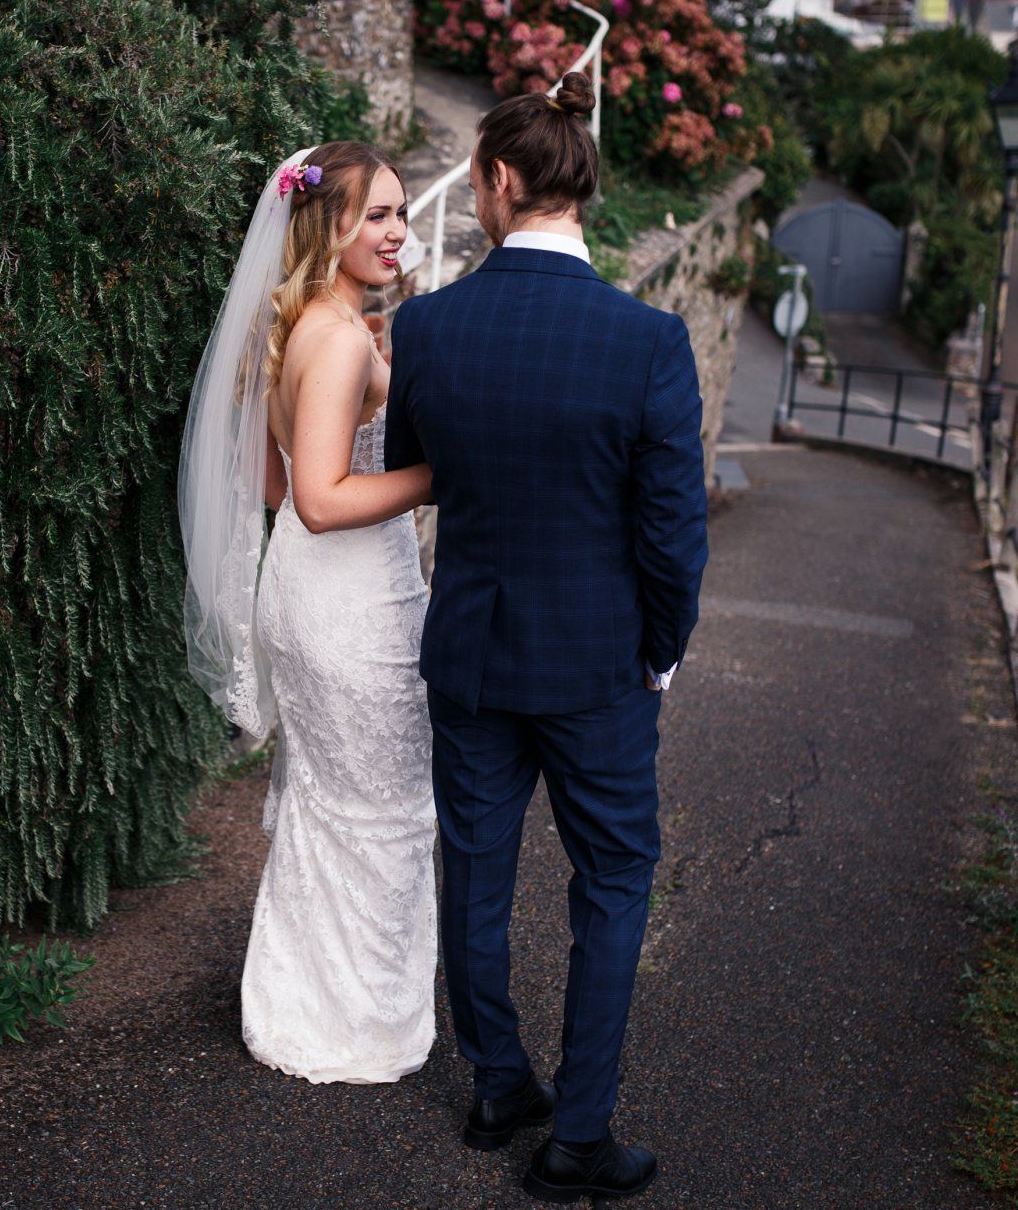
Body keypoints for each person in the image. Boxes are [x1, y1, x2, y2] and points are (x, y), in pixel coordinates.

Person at [385, 71, 709, 1201]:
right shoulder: (651, 341)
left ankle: (497, 1083)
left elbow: (410, 469)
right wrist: (658, 649)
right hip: (598, 664)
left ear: (503, 181)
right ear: (582, 192)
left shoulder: (428, 324)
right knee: (613, 879)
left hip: (473, 648)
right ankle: (577, 1136)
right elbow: (674, 534)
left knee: (473, 874)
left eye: (476, 180)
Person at [177, 140, 437, 1084]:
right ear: (326, 224)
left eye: (403, 213)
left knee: (336, 804)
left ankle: (303, 1003)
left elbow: (272, 484)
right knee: (385, 807)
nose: (399, 232)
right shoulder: (332, 337)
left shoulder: (296, 326)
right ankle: (353, 1021)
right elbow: (322, 502)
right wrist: (437, 476)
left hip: (316, 591)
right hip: (348, 603)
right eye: (377, 215)